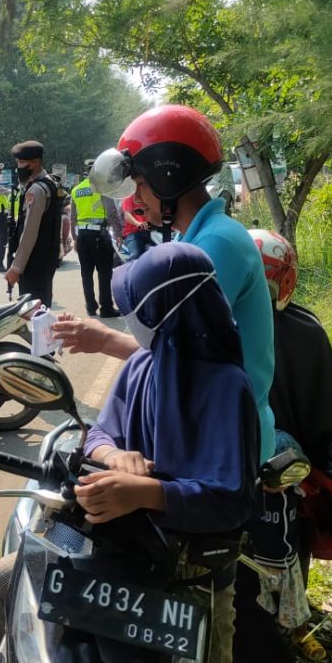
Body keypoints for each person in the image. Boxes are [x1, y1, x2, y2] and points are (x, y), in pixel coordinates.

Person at [0, 244, 259, 663]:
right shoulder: (141, 366)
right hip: (110, 547)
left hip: (190, 571)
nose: (128, 316)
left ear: (164, 311)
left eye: (137, 306)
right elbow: (98, 433)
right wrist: (113, 455)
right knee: (0, 582)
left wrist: (151, 493)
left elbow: (230, 500)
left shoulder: (227, 387)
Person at [53, 105, 276, 462]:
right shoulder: (202, 238)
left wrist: (103, 339)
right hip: (210, 423)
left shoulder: (216, 245)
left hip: (225, 444)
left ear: (168, 176)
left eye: (141, 185)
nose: (137, 200)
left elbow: (175, 356)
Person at [232, 229, 332, 663]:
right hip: (293, 477)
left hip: (241, 472)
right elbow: (331, 422)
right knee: (289, 560)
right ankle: (288, 625)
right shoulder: (304, 330)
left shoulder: (219, 328)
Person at [4, 140, 63, 307]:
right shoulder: (49, 182)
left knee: (34, 312)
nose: (19, 167)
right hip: (45, 257)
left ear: (36, 162)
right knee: (40, 309)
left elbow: (30, 231)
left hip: (35, 261)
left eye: (22, 162)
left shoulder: (36, 190)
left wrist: (16, 268)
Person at [69, 170, 122, 317]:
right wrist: (118, 233)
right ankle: (106, 308)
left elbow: (73, 217)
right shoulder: (101, 188)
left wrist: (75, 238)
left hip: (82, 236)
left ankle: (91, 307)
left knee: (86, 273)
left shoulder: (76, 189)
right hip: (100, 234)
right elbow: (111, 212)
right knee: (104, 273)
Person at [121, 193, 153, 261]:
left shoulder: (149, 196)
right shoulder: (129, 196)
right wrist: (137, 223)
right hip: (133, 233)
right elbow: (127, 214)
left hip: (150, 232)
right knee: (136, 257)